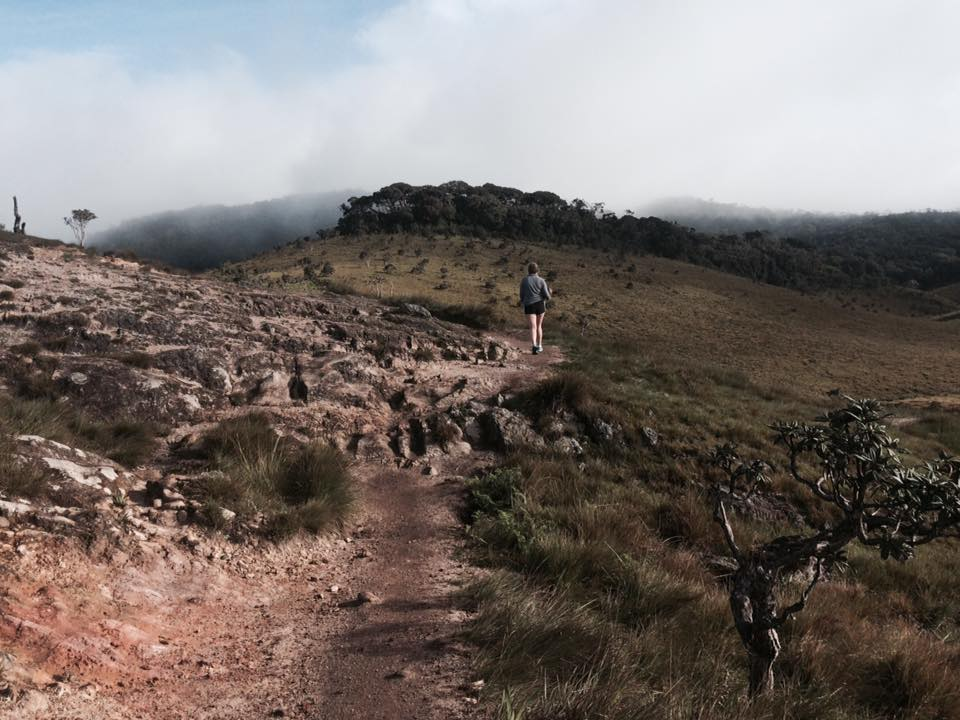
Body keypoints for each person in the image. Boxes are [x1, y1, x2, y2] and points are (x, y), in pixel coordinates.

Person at [519, 262, 551, 354]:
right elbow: (547, 296)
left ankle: (534, 345)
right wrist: (550, 292)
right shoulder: (541, 280)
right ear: (537, 270)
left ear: (528, 270)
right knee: (539, 326)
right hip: (540, 304)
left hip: (529, 305)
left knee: (533, 327)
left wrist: (523, 301)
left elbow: (521, 295)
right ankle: (540, 346)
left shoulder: (524, 280)